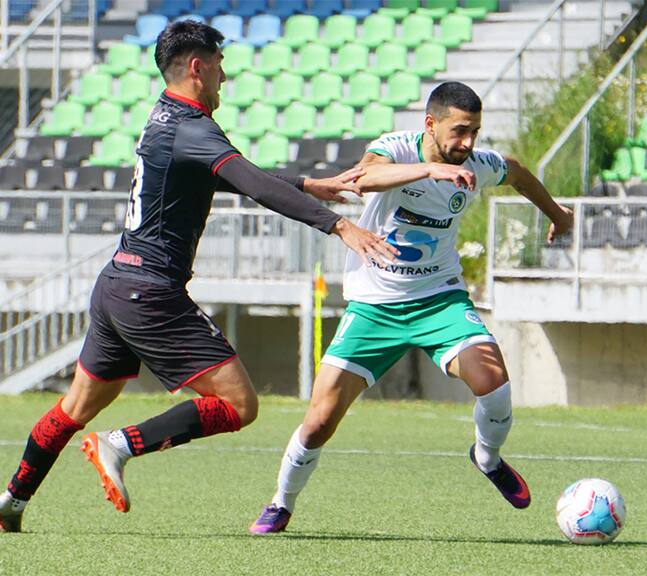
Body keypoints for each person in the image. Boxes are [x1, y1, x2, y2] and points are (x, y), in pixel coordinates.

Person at [0, 20, 397, 533]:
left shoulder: (166, 117)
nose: (223, 78)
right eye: (219, 66)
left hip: (118, 283)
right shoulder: (193, 127)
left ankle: (11, 501)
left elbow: (234, 172)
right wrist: (338, 224)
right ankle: (120, 445)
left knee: (74, 405)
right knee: (238, 404)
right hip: (151, 293)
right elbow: (249, 181)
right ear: (197, 67)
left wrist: (306, 183)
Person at [250, 81, 574, 534]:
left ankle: (487, 457)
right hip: (375, 305)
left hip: (438, 298)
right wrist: (428, 170)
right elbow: (365, 177)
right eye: (459, 131)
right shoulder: (396, 148)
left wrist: (557, 214)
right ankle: (281, 502)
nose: (468, 143)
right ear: (430, 124)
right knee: (320, 420)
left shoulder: (476, 165)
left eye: (475, 132)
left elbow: (516, 171)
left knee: (494, 383)